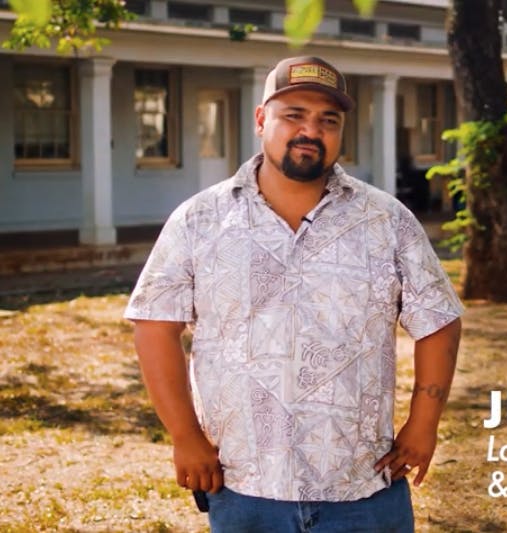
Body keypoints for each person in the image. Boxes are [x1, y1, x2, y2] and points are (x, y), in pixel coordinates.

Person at [125, 56, 463, 532]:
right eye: (294, 115)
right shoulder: (199, 220)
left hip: (363, 487)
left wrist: (423, 424)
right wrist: (185, 436)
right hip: (245, 486)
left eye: (329, 120)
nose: (311, 130)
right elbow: (155, 326)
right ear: (262, 119)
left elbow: (440, 321)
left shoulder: (386, 221)